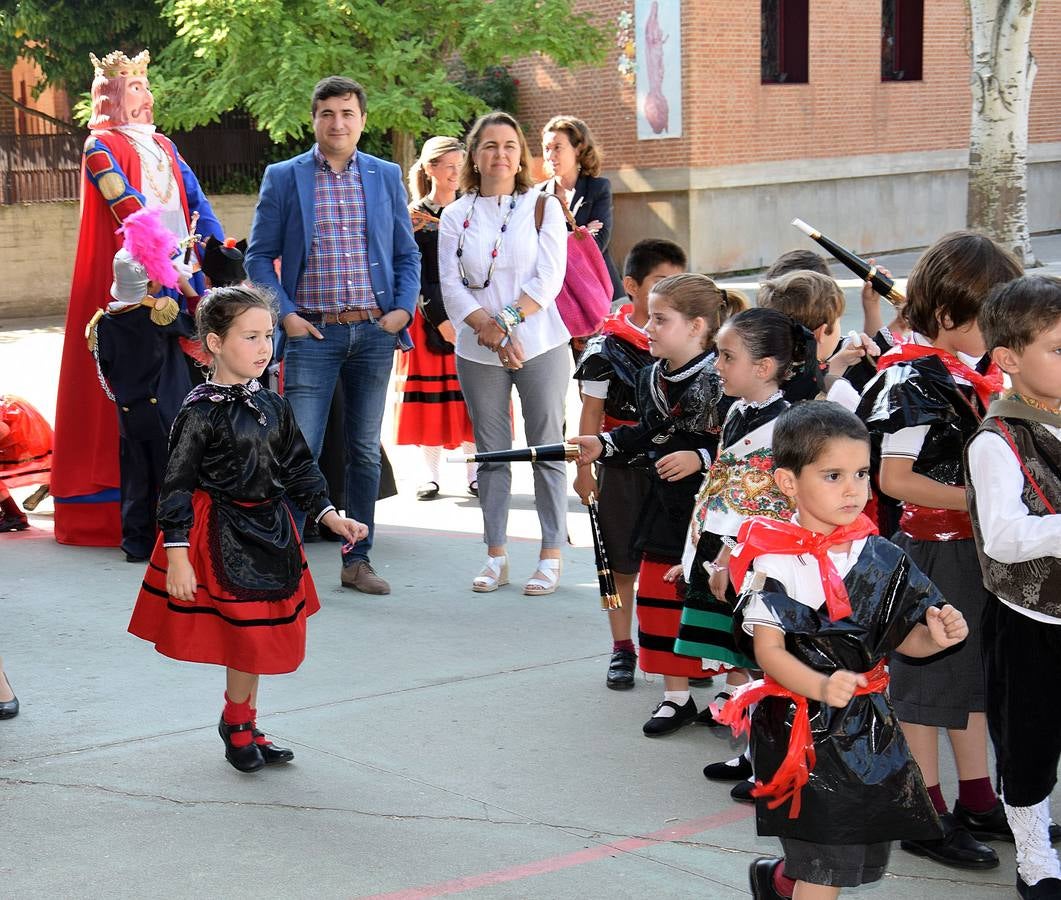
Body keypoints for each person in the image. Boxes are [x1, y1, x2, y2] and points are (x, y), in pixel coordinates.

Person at [723, 401, 967, 900]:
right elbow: (768, 651)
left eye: (861, 472)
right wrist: (819, 685)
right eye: (833, 475)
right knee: (826, 860)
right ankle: (794, 880)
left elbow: (904, 643)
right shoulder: (777, 560)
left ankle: (778, 882)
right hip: (800, 730)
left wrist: (935, 636)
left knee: (858, 850)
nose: (853, 488)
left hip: (869, 726)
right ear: (789, 483)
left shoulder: (881, 553)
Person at [127, 286, 367, 773]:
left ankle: (245, 720)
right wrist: (176, 554)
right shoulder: (200, 411)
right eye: (250, 337)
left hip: (272, 533)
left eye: (269, 336)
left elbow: (300, 468)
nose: (264, 347)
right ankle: (237, 723)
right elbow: (175, 486)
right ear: (214, 343)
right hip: (221, 537)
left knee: (258, 637)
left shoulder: (275, 405)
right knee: (247, 637)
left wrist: (328, 515)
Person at [856, 231, 1022, 871]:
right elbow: (894, 480)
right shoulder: (910, 380)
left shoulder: (963, 371)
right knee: (926, 688)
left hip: (974, 553)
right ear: (949, 317)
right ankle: (925, 813)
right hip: (931, 554)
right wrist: (986, 500)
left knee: (974, 682)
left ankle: (979, 799)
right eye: (991, 318)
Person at [245, 75, 420, 596]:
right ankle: (284, 565)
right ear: (314, 119)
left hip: (373, 332)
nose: (338, 123)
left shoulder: (386, 176)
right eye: (328, 114)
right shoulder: (284, 176)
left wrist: (403, 313)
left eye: (347, 113)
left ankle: (356, 560)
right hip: (311, 335)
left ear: (362, 121)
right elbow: (258, 256)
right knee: (299, 448)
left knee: (364, 451)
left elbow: (407, 255)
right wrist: (285, 315)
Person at [52, 49, 222, 547]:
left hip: (184, 278)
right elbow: (124, 203)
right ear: (110, 96)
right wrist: (165, 265)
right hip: (137, 291)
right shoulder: (98, 145)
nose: (145, 98)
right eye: (134, 89)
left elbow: (196, 198)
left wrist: (213, 248)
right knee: (138, 408)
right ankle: (133, 522)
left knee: (186, 394)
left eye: (146, 88)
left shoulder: (166, 144)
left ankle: (188, 510)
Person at [571, 274, 742, 736]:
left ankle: (733, 693)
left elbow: (743, 447)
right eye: (650, 316)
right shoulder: (651, 375)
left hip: (716, 514)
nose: (646, 326)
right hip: (664, 507)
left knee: (719, 600)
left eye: (660, 319)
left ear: (695, 326)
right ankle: (676, 695)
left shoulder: (723, 377)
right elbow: (645, 434)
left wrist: (700, 457)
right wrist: (601, 446)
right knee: (658, 598)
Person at [438, 111, 569, 595]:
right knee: (492, 453)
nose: (500, 154)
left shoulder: (543, 205)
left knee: (547, 448)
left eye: (510, 145)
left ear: (521, 155)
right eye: (490, 145)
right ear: (474, 155)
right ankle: (496, 554)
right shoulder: (455, 213)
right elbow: (451, 285)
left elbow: (549, 279)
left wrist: (507, 322)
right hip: (477, 348)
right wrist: (487, 330)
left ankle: (551, 553)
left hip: (541, 344)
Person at [967, 275, 1061, 899]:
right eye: (1058, 348)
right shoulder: (998, 439)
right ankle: (1034, 854)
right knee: (1029, 740)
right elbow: (1002, 535)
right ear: (1008, 360)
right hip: (1033, 619)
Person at [676, 308, 800, 730]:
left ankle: (763, 747)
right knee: (738, 650)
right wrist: (694, 552)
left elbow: (776, 505)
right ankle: (748, 738)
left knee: (760, 650)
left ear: (763, 367)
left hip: (754, 554)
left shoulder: (788, 427)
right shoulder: (736, 412)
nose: (717, 365)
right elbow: (718, 487)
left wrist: (733, 553)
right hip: (717, 545)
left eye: (728, 357)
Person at [573, 238, 687, 689]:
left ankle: (681, 648)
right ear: (632, 286)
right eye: (661, 282)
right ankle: (622, 647)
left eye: (679, 280)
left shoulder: (690, 340)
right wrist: (584, 470)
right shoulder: (606, 348)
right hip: (620, 466)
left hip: (675, 468)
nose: (672, 290)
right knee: (620, 563)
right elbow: (589, 415)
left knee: (677, 563)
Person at [87, 208, 197, 562]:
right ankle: (174, 542)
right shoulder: (159, 312)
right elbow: (197, 326)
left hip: (129, 413)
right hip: (167, 411)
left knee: (136, 480)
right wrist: (185, 288)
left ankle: (136, 543)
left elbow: (105, 368)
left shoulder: (102, 323)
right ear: (150, 283)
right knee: (173, 480)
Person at [395, 136, 476, 500]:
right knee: (435, 400)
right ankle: (431, 475)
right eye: (449, 166)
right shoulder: (414, 217)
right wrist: (440, 319)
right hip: (429, 313)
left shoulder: (474, 209)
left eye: (460, 165)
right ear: (429, 169)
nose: (456, 173)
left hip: (474, 311)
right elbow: (417, 274)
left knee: (474, 394)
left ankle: (476, 472)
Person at [540, 115, 623, 301]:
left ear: (578, 148)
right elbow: (534, 246)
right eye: (546, 148)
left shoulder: (598, 188)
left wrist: (554, 242)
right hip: (557, 296)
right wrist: (578, 234)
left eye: (557, 148)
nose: (550, 155)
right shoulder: (537, 195)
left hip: (600, 293)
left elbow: (599, 243)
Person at [0, 394, 53, 532]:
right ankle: (12, 515)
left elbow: (2, 430)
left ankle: (14, 516)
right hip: (26, 433)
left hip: (22, 437)